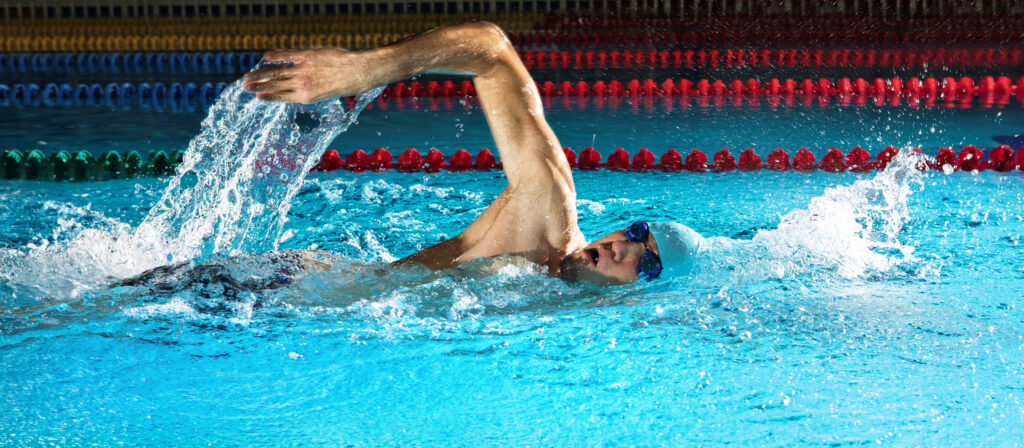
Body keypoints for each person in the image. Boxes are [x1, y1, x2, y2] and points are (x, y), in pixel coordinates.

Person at [243, 21, 703, 285]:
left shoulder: (559, 309)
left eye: (649, 261)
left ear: (649, 292)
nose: (623, 246)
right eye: (639, 231)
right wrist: (365, 69)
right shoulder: (548, 218)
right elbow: (490, 48)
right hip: (279, 288)